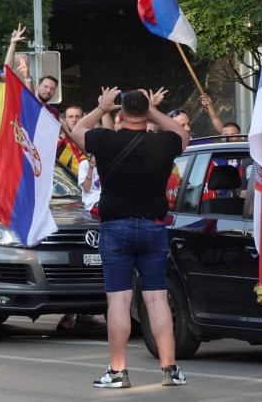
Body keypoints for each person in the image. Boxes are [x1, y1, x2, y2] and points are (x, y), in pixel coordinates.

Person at [71, 88, 190, 388]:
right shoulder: (164, 143)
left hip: (116, 227)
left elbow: (77, 130)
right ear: (146, 113)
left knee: (120, 301)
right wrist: (154, 111)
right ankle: (170, 368)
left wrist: (101, 107)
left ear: (120, 114)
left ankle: (117, 371)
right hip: (152, 226)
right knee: (157, 298)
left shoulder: (105, 141)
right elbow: (180, 131)